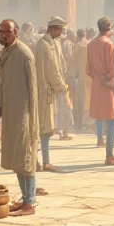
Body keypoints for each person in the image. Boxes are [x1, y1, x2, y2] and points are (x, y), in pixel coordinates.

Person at [0, 19, 41, 216]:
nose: (3, 35)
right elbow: (1, 89)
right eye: (0, 32)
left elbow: (33, 91)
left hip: (23, 115)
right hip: (11, 114)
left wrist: (30, 120)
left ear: (16, 32)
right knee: (17, 158)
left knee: (25, 157)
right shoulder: (5, 54)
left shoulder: (24, 54)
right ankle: (25, 198)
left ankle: (30, 202)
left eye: (7, 32)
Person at [35, 17, 70, 173]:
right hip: (45, 91)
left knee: (47, 128)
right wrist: (61, 86)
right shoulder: (44, 45)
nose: (61, 33)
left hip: (50, 91)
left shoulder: (53, 44)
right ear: (54, 29)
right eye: (60, 30)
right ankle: (42, 161)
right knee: (43, 127)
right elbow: (51, 70)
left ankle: (44, 161)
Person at [87, 17, 114, 164]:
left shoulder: (91, 44)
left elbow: (87, 69)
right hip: (108, 86)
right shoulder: (109, 44)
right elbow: (113, 69)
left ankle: (100, 139)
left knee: (101, 115)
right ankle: (109, 155)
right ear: (109, 28)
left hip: (96, 85)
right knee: (112, 118)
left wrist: (97, 76)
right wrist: (108, 78)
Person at [69, 28, 89, 133]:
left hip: (79, 78)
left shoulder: (77, 46)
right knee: (85, 103)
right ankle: (84, 124)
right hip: (89, 78)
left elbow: (72, 62)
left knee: (78, 103)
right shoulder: (89, 45)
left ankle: (78, 124)